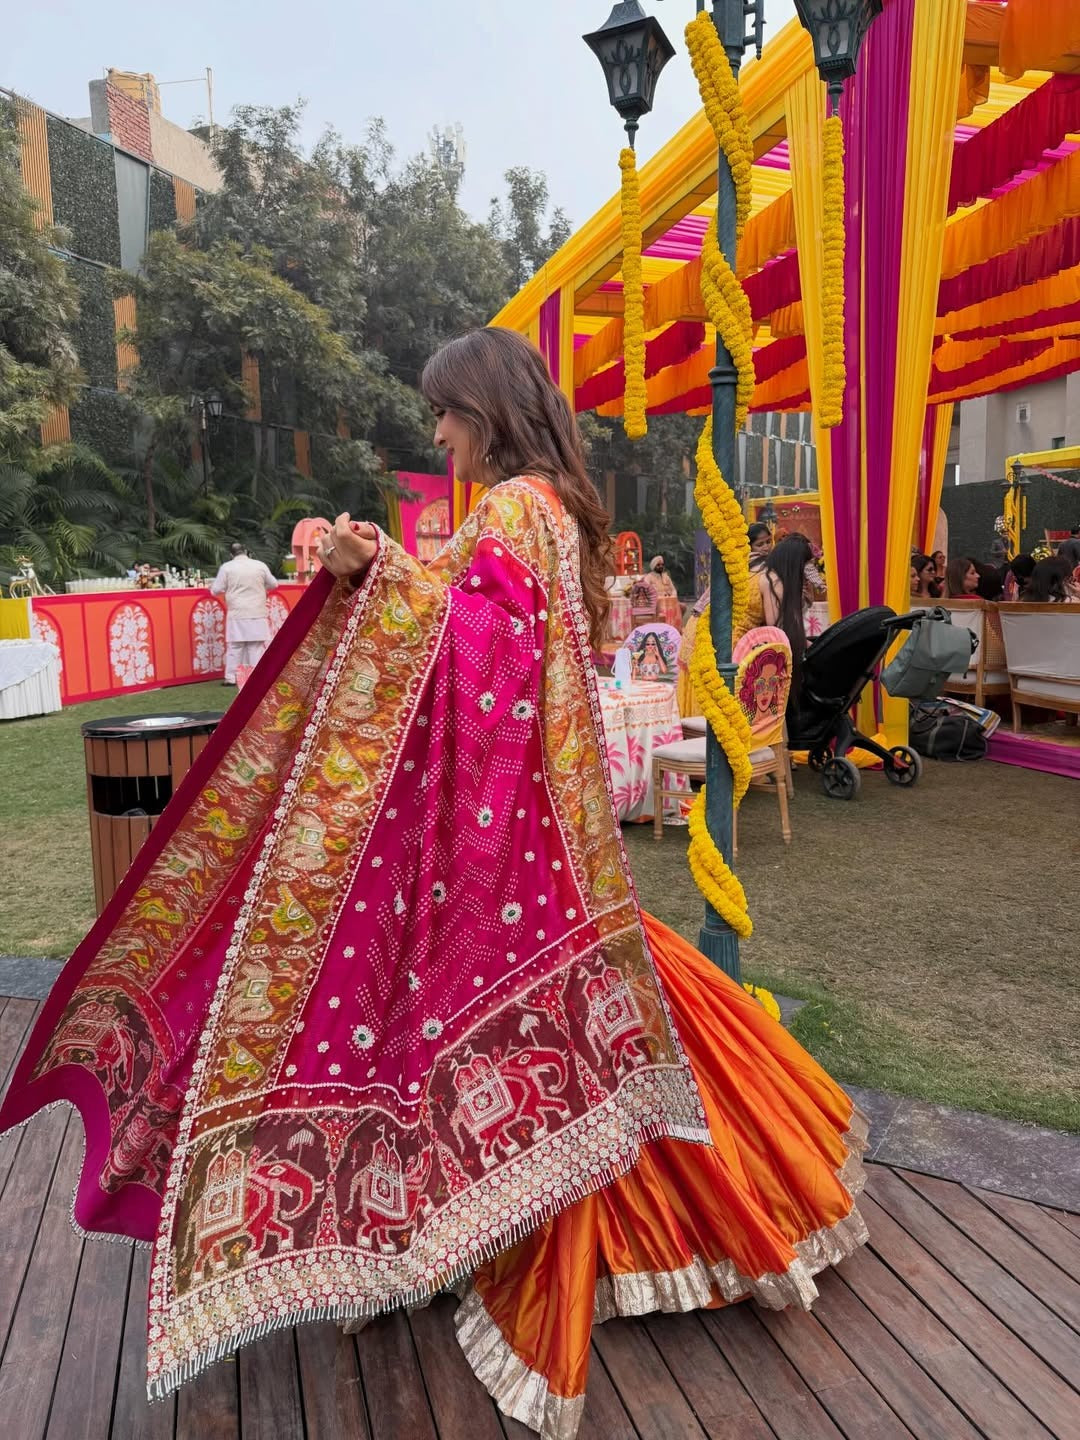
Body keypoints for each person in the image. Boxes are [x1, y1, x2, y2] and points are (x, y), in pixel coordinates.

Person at [0, 329, 867, 1439]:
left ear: (489, 407)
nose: (440, 434)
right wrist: (395, 575)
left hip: (522, 829)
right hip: (553, 821)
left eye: (448, 413)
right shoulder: (557, 507)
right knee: (621, 1007)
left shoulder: (515, 509)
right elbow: (497, 636)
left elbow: (487, 651)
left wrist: (379, 573)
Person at [735, 532, 814, 697]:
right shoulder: (774, 579)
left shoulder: (761, 568)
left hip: (714, 637)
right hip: (736, 645)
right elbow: (778, 631)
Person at [210, 541, 279, 685]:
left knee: (235, 647)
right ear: (246, 551)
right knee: (255, 647)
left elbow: (215, 590)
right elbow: (274, 584)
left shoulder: (227, 568)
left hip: (237, 612)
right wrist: (261, 588)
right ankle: (255, 677)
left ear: (231, 554)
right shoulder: (260, 565)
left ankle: (231, 678)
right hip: (257, 610)